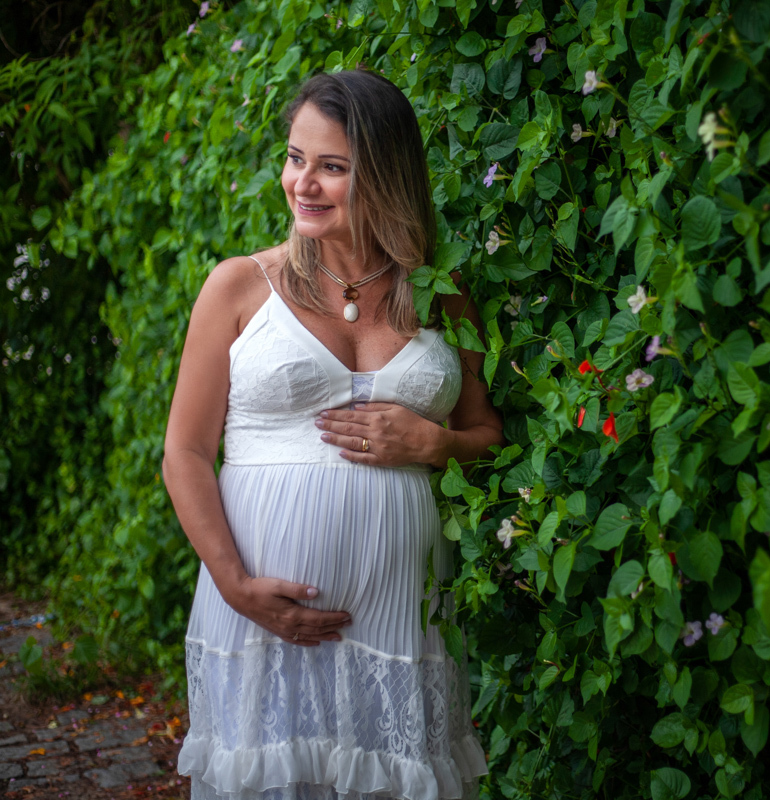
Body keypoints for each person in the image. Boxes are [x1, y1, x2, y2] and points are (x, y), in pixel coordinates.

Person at [162, 70, 503, 800]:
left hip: (401, 625)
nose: (302, 184)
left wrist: (437, 446)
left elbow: (488, 434)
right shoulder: (239, 286)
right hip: (262, 613)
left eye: (332, 167)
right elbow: (185, 452)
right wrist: (234, 585)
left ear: (384, 174)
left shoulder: (443, 295)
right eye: (294, 158)